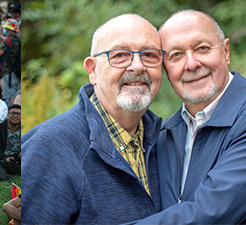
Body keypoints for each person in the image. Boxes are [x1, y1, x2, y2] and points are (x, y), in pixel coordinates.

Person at [135, 10, 246, 224]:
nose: (191, 64)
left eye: (202, 48)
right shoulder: (166, 136)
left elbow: (209, 213)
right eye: (176, 55)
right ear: (165, 69)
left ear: (226, 51)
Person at [21, 14, 164, 224]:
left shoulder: (166, 141)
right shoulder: (50, 147)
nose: (138, 66)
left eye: (149, 55)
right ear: (92, 70)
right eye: (120, 55)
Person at [0, 105, 21, 180]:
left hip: (19, 158)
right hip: (3, 159)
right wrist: (5, 158)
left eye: (18, 114)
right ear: (7, 114)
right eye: (13, 113)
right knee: (0, 166)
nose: (15, 116)